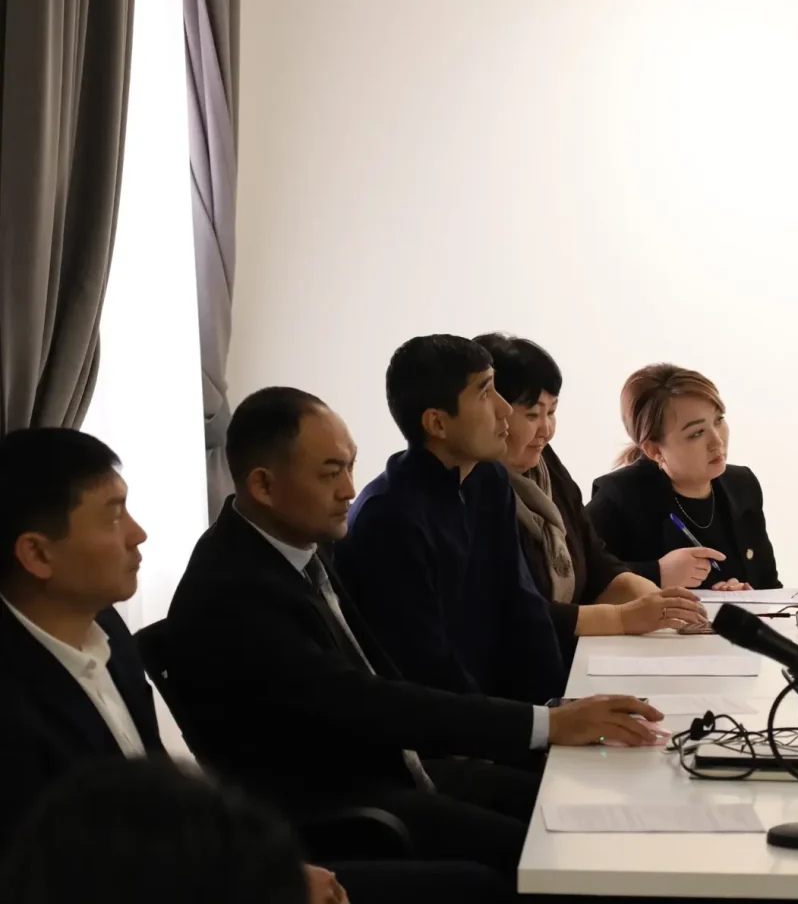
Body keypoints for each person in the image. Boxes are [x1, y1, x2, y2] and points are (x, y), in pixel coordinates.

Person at [164, 386, 663, 887]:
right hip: (337, 803)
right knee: (539, 852)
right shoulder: (234, 591)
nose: (349, 489)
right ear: (264, 485)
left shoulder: (294, 541)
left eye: (350, 467)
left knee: (580, 798)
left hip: (391, 764)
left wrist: (548, 722)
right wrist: (547, 723)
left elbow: (382, 678)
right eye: (331, 473)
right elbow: (367, 702)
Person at [337, 334, 572, 699]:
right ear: (438, 424)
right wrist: (534, 725)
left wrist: (559, 708)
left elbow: (523, 609)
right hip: (446, 721)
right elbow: (427, 672)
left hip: (505, 712)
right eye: (485, 393)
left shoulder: (489, 479)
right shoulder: (388, 517)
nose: (504, 409)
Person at [0, 756, 514, 904]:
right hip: (303, 814)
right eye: (111, 529)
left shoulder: (105, 639)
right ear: (37, 553)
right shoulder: (233, 587)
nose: (138, 537)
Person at [472, 334, 706, 650]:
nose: (546, 431)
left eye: (551, 412)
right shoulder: (472, 491)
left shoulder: (544, 463)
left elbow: (596, 562)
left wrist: (660, 600)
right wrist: (623, 618)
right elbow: (512, 615)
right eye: (532, 415)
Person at [0, 428, 165, 848]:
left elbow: (163, 796)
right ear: (38, 554)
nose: (138, 534)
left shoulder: (106, 626)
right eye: (114, 516)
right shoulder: (12, 712)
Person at [587, 364, 780, 590]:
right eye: (696, 433)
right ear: (654, 450)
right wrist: (657, 574)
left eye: (718, 420)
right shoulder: (617, 497)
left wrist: (745, 598)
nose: (717, 441)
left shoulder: (742, 485)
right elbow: (577, 581)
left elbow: (769, 586)